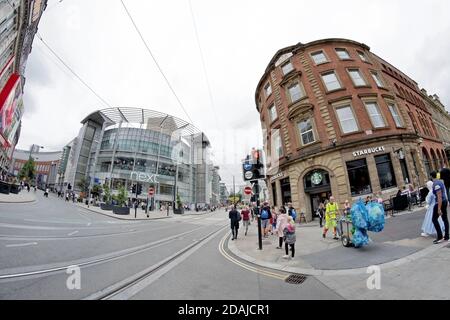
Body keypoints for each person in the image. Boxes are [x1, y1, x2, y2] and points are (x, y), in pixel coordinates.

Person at [430, 171, 449, 244]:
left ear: (431, 176)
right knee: (445, 219)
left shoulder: (436, 184)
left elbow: (439, 196)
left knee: (434, 219)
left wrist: (438, 208)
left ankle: (440, 236)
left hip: (440, 202)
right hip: (444, 201)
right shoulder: (440, 182)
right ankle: (446, 236)